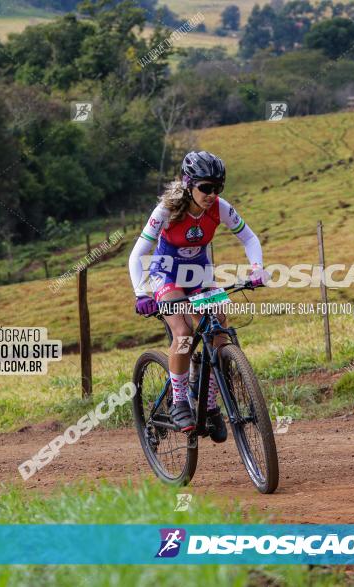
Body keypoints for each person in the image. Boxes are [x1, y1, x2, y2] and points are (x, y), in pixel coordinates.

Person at [127, 151, 268, 441]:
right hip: (166, 273)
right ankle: (179, 400)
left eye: (218, 188)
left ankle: (211, 402)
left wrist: (257, 269)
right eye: (205, 187)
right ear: (188, 183)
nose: (211, 194)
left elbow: (250, 238)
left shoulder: (219, 207)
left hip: (199, 275)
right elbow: (137, 254)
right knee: (184, 334)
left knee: (218, 332)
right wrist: (142, 293)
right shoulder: (166, 210)